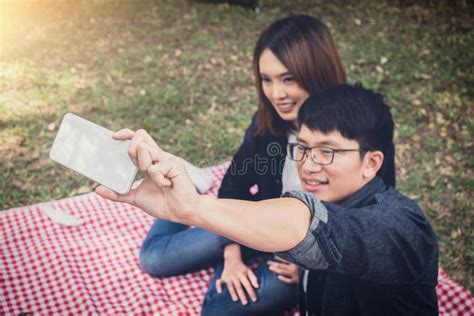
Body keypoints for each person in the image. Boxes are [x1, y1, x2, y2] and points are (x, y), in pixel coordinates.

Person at [96, 84, 439, 315]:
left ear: (372, 163)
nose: (308, 164)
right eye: (303, 148)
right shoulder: (326, 190)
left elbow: (311, 223)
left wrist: (196, 208)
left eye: (328, 151)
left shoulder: (402, 227)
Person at [138, 14, 349, 315]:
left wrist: (313, 271)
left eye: (288, 78)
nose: (277, 94)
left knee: (218, 310)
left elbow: (366, 223)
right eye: (267, 79)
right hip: (255, 220)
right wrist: (232, 255)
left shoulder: (358, 130)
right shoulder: (268, 123)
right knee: (154, 259)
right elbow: (234, 186)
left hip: (308, 247)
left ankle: (193, 194)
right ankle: (185, 184)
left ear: (317, 73)